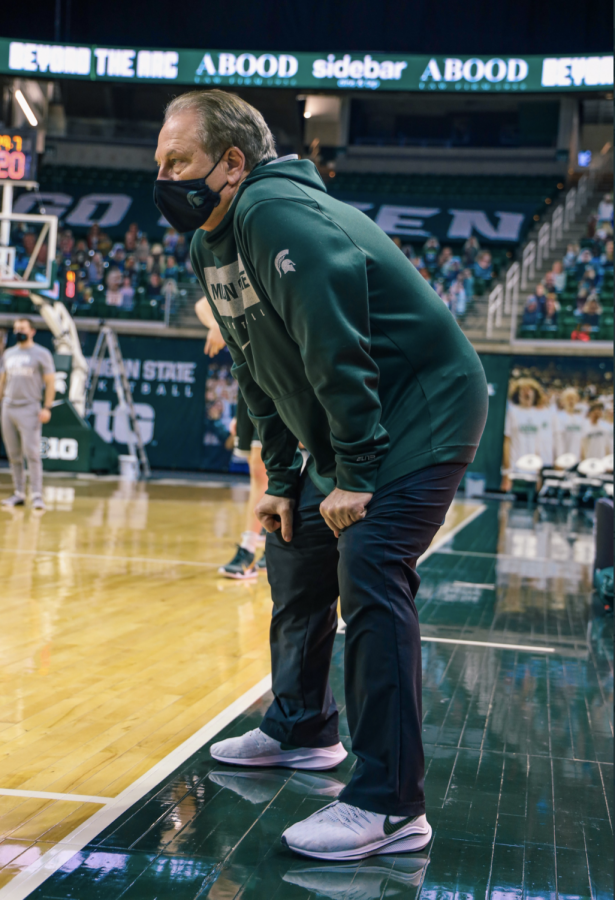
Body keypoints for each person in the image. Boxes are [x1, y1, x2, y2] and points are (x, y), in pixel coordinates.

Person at [154, 89, 488, 861]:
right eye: (160, 162)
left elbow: (337, 352)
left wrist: (357, 473)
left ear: (232, 163)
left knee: (369, 566)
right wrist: (279, 476)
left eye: (180, 161)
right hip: (355, 416)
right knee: (295, 542)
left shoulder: (274, 213)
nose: (165, 177)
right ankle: (301, 727)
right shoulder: (212, 243)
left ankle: (389, 805)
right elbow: (255, 366)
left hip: (422, 406)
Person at [194, 296, 268, 578]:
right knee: (259, 470)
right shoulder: (234, 272)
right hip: (253, 384)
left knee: (270, 469)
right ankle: (262, 545)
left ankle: (256, 547)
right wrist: (216, 324)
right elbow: (202, 304)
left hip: (286, 377)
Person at [0, 318, 55, 510]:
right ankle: (19, 493)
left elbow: (50, 382)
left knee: (32, 453)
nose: (18, 332)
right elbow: (3, 379)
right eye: (16, 329)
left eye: (22, 329)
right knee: (13, 454)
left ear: (32, 331)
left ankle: (37, 495)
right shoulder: (8, 353)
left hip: (29, 408)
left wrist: (46, 407)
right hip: (8, 406)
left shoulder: (41, 353)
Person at [500, 378, 544, 492]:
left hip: (533, 470)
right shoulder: (512, 412)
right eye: (523, 390)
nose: (527, 392)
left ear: (534, 393)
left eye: (530, 389)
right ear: (518, 394)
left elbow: (538, 445)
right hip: (516, 469)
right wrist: (506, 471)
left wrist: (539, 472)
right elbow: (507, 441)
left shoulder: (538, 415)